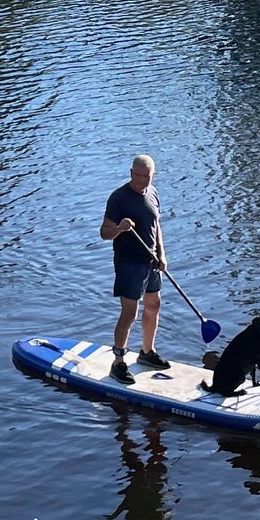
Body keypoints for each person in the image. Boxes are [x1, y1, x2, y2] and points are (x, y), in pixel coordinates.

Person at [99, 153, 170, 383]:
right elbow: (104, 233)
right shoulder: (119, 198)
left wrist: (162, 253)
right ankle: (118, 362)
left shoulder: (153, 192)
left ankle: (147, 353)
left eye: (146, 177)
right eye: (138, 176)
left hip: (151, 261)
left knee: (154, 304)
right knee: (130, 313)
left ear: (153, 176)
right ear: (131, 173)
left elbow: (155, 224)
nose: (142, 181)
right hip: (129, 262)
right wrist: (120, 227)